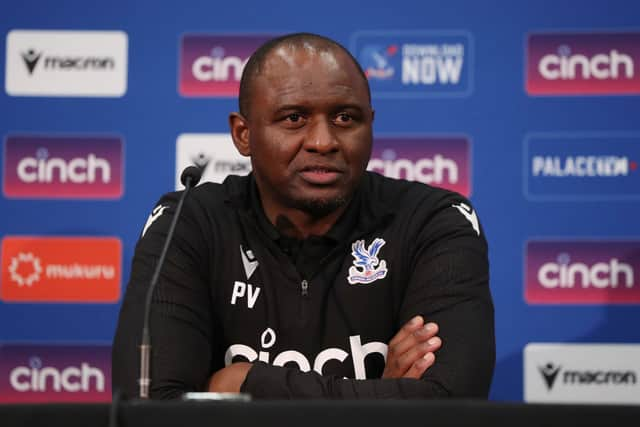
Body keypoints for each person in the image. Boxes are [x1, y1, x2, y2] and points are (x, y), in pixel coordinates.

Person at [112, 33, 494, 399]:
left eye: (346, 118)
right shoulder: (190, 223)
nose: (323, 141)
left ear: (370, 124)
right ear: (243, 134)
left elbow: (450, 401)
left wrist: (245, 383)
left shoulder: (433, 222)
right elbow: (151, 403)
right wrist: (384, 400)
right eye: (294, 118)